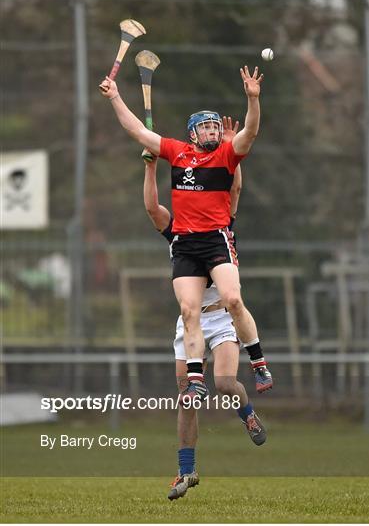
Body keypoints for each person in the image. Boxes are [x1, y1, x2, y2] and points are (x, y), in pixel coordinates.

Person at [99, 65, 272, 404]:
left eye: (213, 127)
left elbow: (249, 132)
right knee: (188, 310)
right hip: (185, 244)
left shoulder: (226, 154)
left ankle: (259, 361)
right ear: (193, 134)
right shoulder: (177, 153)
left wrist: (253, 100)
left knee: (233, 299)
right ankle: (195, 378)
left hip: (216, 239)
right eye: (205, 128)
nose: (211, 132)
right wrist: (116, 96)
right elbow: (137, 131)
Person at [141, 123, 267, 500]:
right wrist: (150, 167)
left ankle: (247, 413)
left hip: (221, 319)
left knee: (226, 384)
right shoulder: (176, 232)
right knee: (187, 397)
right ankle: (185, 472)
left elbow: (234, 186)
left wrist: (230, 149)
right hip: (191, 323)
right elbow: (151, 207)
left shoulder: (220, 222)